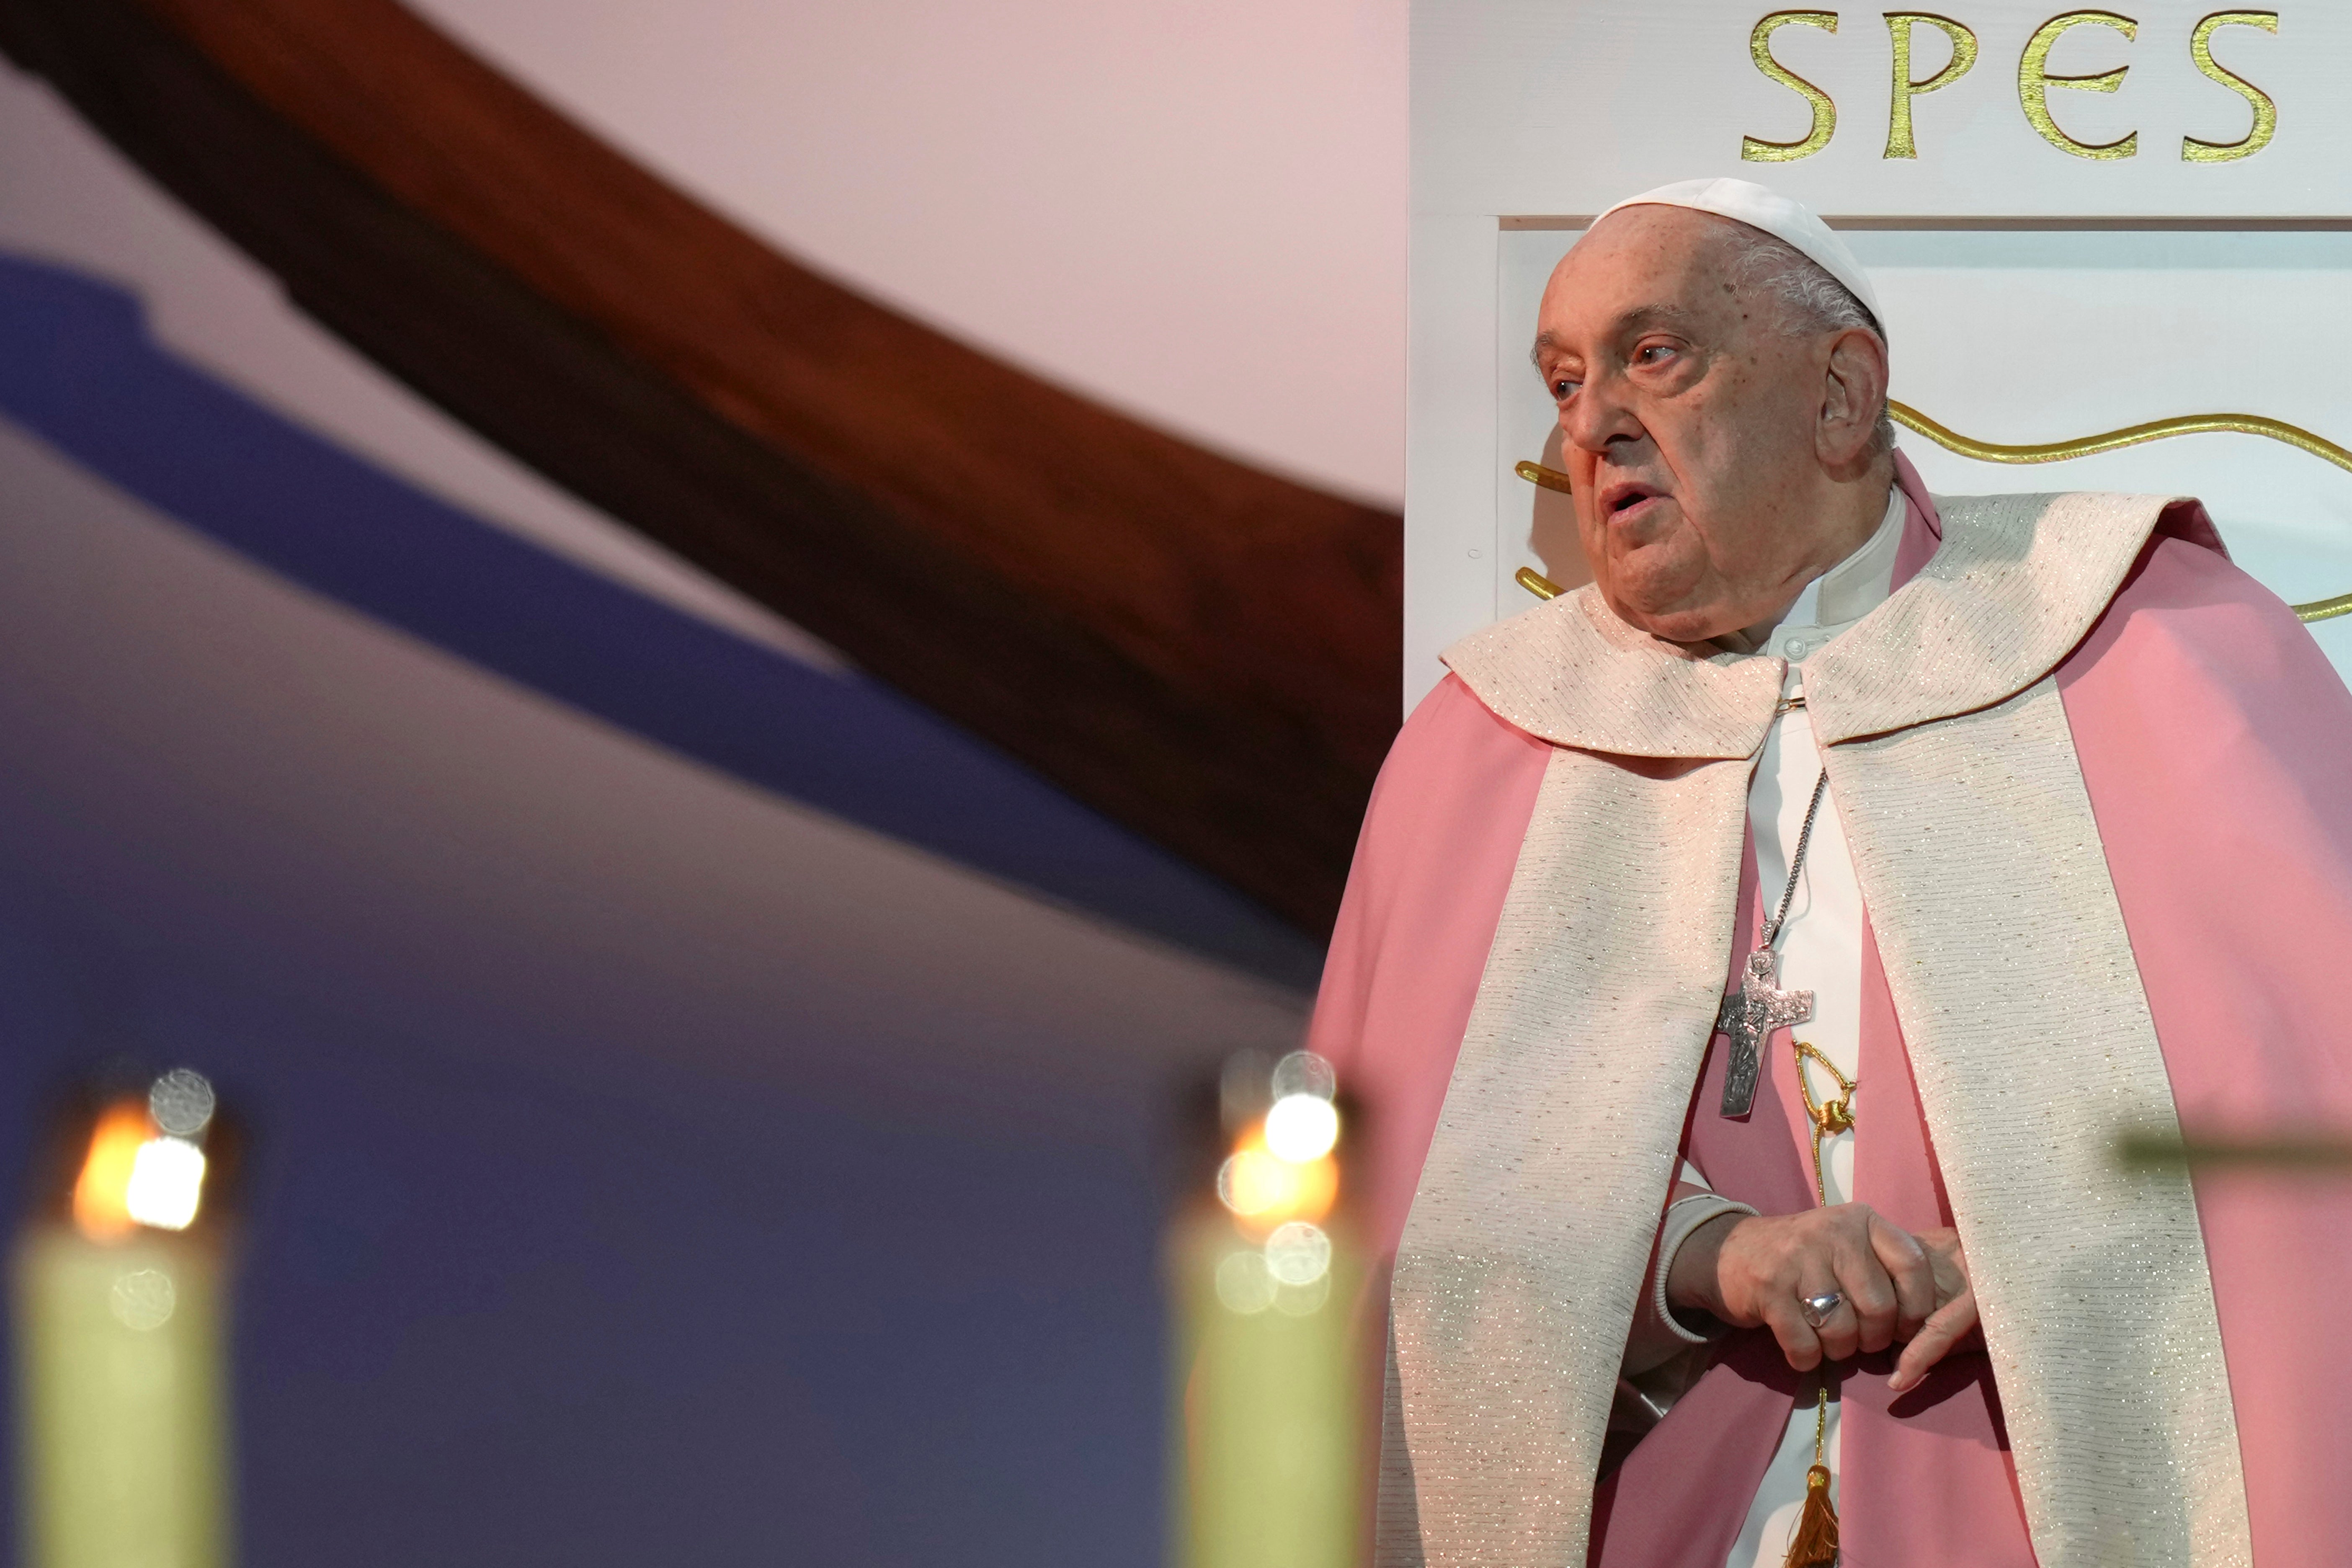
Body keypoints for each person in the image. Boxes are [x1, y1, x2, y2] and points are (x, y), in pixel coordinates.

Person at [1309, 177, 2352, 1568]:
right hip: (1674, 1503)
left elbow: (2315, 1123)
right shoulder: (1485, 746)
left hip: (2050, 1496)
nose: (1590, 418)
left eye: (1652, 353)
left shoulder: (2160, 646)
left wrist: (2061, 1249)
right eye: (1561, 378)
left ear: (1842, 395)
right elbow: (1386, 1221)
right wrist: (1707, 1257)